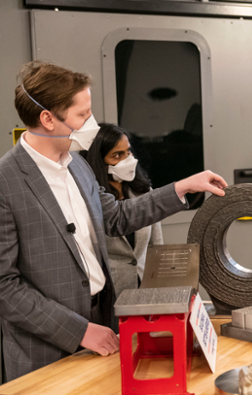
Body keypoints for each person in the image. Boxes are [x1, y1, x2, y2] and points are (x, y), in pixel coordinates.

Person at [0, 60, 227, 381]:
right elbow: (4, 287)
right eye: (82, 115)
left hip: (100, 324)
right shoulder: (6, 182)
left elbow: (117, 217)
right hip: (46, 348)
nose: (90, 123)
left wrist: (182, 187)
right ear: (47, 119)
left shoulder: (77, 166)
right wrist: (79, 331)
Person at [82, 123, 163, 299]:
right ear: (98, 161)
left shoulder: (143, 191)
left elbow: (155, 246)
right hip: (108, 292)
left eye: (128, 152)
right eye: (117, 155)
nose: (127, 159)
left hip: (144, 287)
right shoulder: (89, 199)